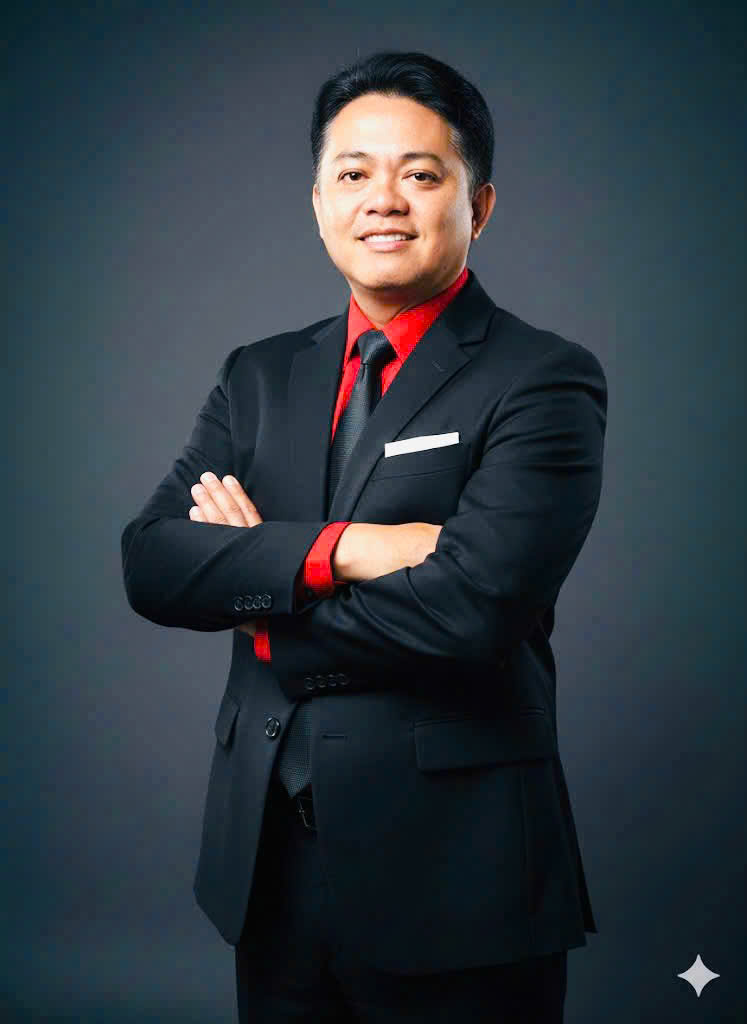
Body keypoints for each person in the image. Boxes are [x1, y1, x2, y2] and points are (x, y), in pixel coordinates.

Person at [121, 49, 606, 1024]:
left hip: (457, 871)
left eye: (420, 174)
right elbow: (154, 562)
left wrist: (258, 594)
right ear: (318, 203)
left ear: (479, 205)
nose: (382, 199)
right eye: (353, 174)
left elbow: (472, 610)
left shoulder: (542, 378)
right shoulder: (259, 375)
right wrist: (344, 549)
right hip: (268, 862)